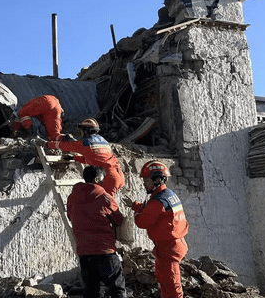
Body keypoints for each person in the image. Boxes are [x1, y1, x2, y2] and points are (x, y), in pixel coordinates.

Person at [122, 160, 189, 298]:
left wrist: (136, 213)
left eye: (147, 180)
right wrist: (135, 205)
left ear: (157, 180)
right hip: (174, 244)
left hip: (168, 249)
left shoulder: (158, 201)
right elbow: (153, 210)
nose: (144, 183)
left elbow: (142, 221)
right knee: (165, 282)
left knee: (172, 286)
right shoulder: (167, 195)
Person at [67, 165, 126, 298]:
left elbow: (70, 216)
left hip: (84, 253)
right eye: (102, 179)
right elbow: (119, 221)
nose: (103, 182)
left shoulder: (73, 197)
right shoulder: (105, 198)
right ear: (97, 179)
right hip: (105, 252)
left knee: (91, 291)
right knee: (117, 290)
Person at [46, 118, 125, 195]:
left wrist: (47, 144)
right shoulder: (103, 141)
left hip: (108, 177)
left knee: (106, 206)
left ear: (86, 131)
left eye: (82, 130)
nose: (81, 133)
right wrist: (74, 158)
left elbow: (64, 145)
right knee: (106, 204)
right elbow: (94, 159)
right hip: (119, 175)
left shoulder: (86, 143)